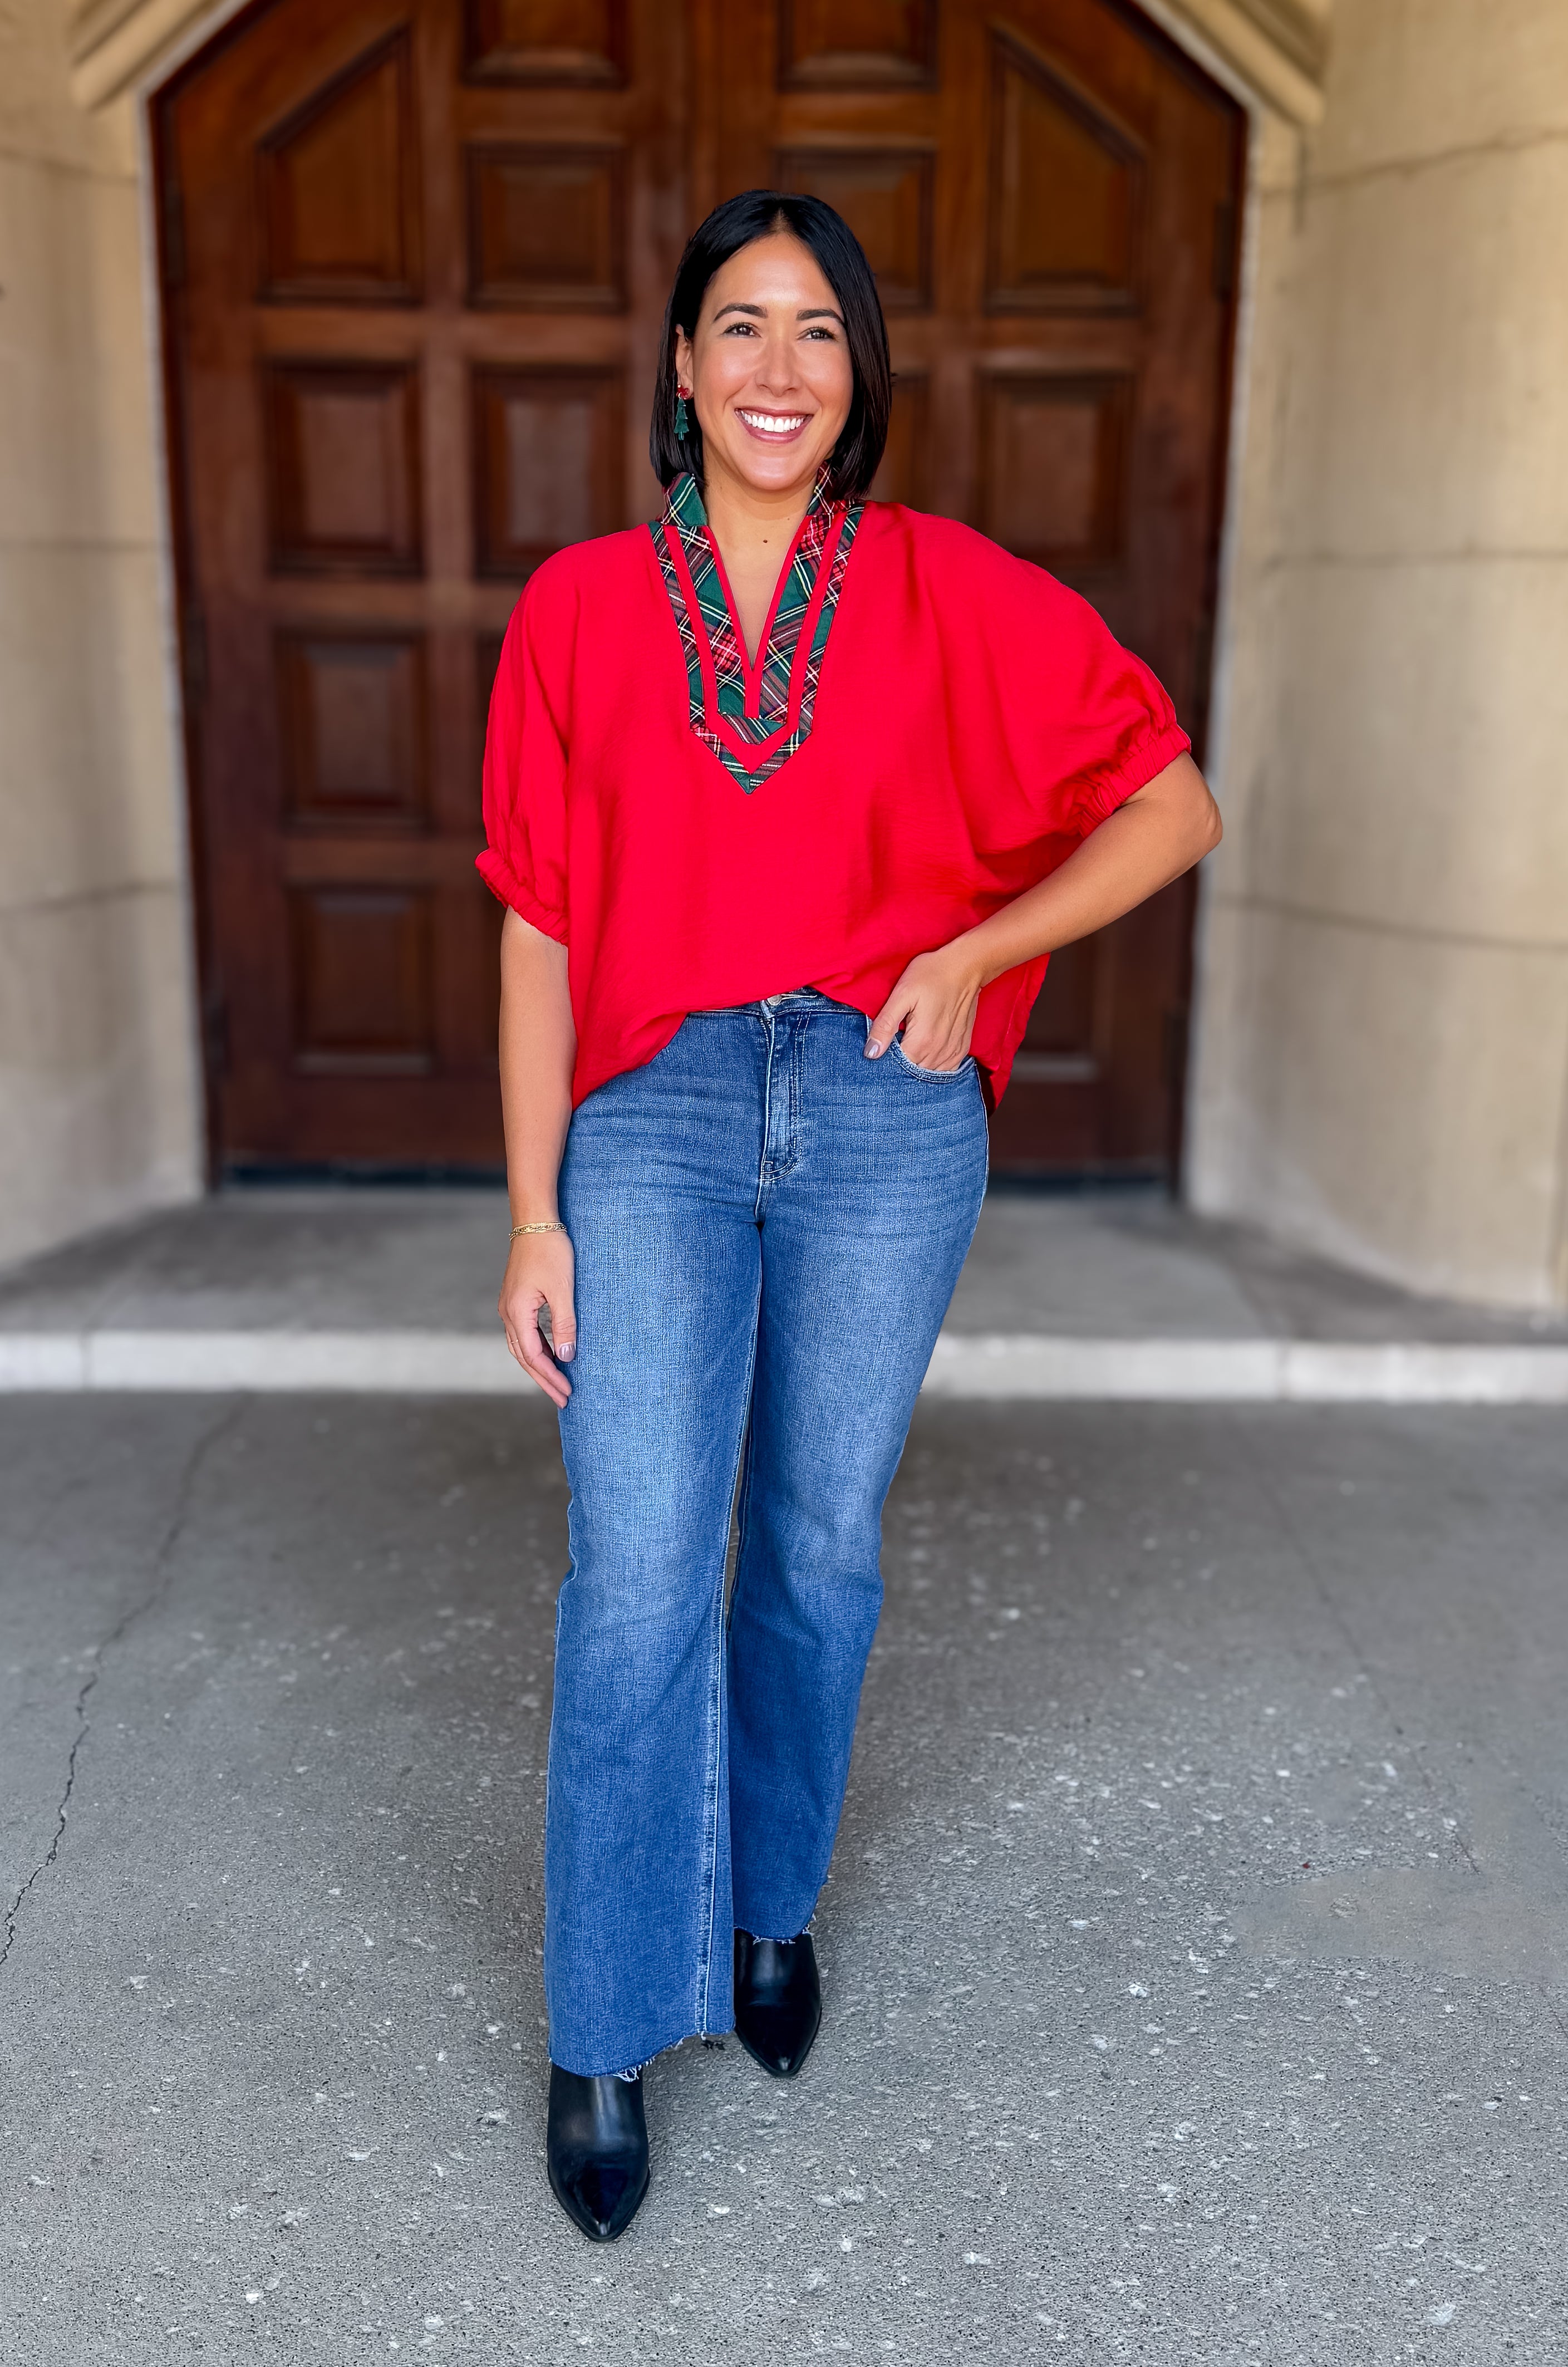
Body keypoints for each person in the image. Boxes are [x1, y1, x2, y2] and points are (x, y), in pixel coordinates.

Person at [479, 189, 1220, 2243]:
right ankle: (608, 2016)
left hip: (887, 1108)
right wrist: (532, 1210)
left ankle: (771, 1908)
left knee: (811, 1535)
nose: (778, 368)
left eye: (816, 330)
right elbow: (540, 924)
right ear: (684, 366)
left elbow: (1173, 800)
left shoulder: (950, 587)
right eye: (740, 326)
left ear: (857, 372)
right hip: (654, 1108)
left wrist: (980, 953)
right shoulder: (575, 611)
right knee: (635, 1560)